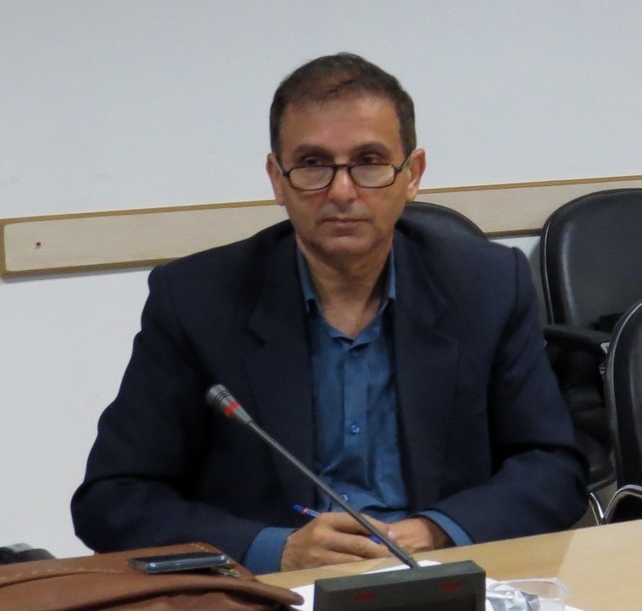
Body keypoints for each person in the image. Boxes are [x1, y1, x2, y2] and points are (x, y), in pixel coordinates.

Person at [73, 54, 587, 571]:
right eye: (313, 164)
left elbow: (553, 467)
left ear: (412, 175)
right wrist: (275, 549)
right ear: (278, 179)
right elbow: (113, 500)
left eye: (369, 161)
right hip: (273, 595)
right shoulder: (196, 300)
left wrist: (439, 531)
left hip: (445, 579)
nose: (342, 191)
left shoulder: (486, 286)